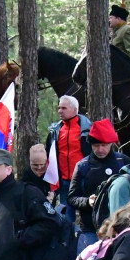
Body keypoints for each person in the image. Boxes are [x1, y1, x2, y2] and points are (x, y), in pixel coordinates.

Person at [69, 118, 129, 252]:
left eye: (104, 145)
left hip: (119, 228)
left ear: (111, 144)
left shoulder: (123, 163)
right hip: (91, 229)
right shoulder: (83, 166)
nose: (100, 149)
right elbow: (72, 198)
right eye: (96, 145)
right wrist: (87, 202)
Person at [46, 95, 93, 226]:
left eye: (64, 108)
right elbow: (49, 153)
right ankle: (68, 242)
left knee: (87, 215)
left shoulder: (86, 130)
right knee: (66, 217)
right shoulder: (55, 130)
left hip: (83, 179)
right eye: (59, 108)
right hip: (64, 181)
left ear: (74, 109)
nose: (60, 111)